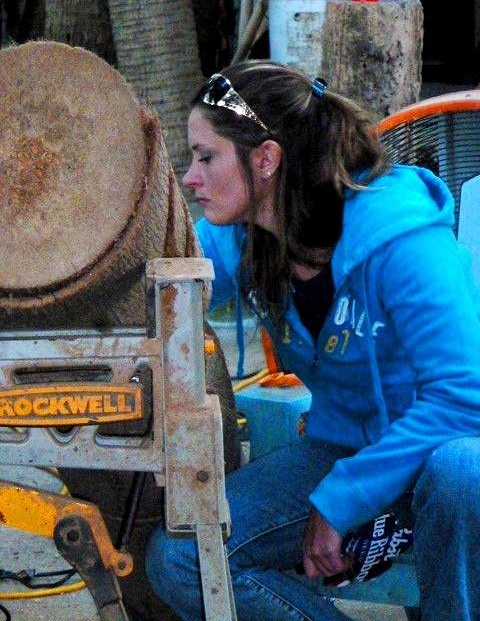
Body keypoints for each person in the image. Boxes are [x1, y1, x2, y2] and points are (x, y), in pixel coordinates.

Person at [145, 61, 480, 621]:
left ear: (266, 159)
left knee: (463, 473)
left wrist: (339, 500)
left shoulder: (401, 238)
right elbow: (159, 285)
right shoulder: (240, 238)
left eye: (206, 157)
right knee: (182, 558)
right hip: (344, 448)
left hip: (445, 449)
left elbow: (464, 397)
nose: (190, 178)